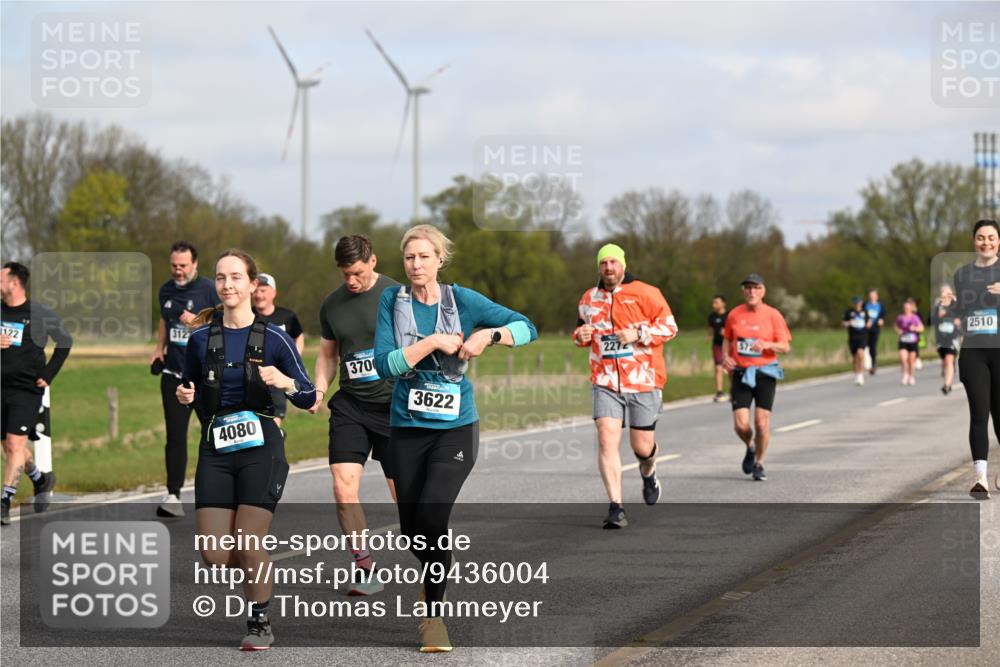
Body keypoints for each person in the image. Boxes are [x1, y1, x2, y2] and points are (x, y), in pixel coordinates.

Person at [373, 225, 537, 652]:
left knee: (431, 518)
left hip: (455, 428)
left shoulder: (462, 299)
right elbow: (384, 365)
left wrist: (488, 335)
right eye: (410, 258)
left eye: (425, 257)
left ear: (439, 260)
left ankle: (433, 617)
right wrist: (431, 341)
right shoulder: (393, 301)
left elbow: (527, 327)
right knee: (412, 532)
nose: (416, 265)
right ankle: (440, 562)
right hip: (407, 428)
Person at [177, 249, 316, 650]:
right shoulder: (201, 338)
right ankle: (260, 573)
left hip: (262, 448)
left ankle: (259, 621)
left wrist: (285, 382)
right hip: (216, 449)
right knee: (215, 555)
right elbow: (189, 387)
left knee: (249, 540)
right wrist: (186, 395)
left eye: (236, 277)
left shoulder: (276, 339)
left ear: (252, 285)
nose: (227, 285)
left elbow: (309, 397)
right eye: (221, 278)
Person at [312, 235, 399, 595]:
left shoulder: (397, 296)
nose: (352, 281)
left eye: (358, 273)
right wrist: (318, 389)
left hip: (395, 406)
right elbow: (329, 354)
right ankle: (365, 568)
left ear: (373, 262)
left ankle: (433, 562)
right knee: (343, 487)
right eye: (346, 273)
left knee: (407, 500)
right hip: (351, 405)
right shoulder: (332, 305)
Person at [573, 243, 678, 529]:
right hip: (605, 380)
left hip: (644, 379)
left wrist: (639, 333)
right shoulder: (588, 297)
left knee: (642, 447)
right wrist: (580, 334)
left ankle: (649, 470)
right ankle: (616, 507)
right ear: (599, 267)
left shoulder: (647, 293)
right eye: (603, 263)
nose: (608, 267)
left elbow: (670, 327)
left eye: (613, 262)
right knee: (607, 437)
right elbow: (581, 332)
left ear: (622, 265)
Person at [151, 241, 219, 517]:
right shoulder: (165, 290)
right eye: (174, 266)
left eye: (183, 266)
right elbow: (165, 321)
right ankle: (173, 495)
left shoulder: (209, 290)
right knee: (175, 436)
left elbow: (224, 326)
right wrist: (159, 349)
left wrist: (198, 323)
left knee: (213, 432)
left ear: (195, 265)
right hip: (175, 376)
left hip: (206, 377)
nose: (178, 271)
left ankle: (217, 490)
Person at [1, 262, 71, 525]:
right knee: (9, 447)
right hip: (1, 388)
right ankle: (42, 480)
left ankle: (4, 501)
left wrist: (49, 374)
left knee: (15, 445)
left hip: (27, 389)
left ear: (14, 283)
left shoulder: (39, 313)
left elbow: (65, 341)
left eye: (0, 280)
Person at [722, 273, 791, 482]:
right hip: (741, 373)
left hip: (765, 373)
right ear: (744, 291)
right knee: (740, 425)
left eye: (756, 288)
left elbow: (785, 346)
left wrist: (767, 344)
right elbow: (727, 339)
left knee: (761, 424)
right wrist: (725, 357)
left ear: (763, 291)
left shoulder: (773, 315)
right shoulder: (734, 314)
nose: (751, 292)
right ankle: (750, 446)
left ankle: (759, 463)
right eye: (748, 288)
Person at [949, 219, 1000, 498]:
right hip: (974, 352)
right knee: (979, 414)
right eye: (981, 238)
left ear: (999, 240)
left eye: (991, 237)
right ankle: (980, 478)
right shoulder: (963, 274)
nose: (986, 242)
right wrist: (950, 303)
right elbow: (963, 309)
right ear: (974, 241)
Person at [252, 272, 304, 427]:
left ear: (273, 293)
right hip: (252, 378)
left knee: (274, 422)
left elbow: (298, 336)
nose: (259, 295)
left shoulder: (287, 316)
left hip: (276, 377)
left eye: (263, 291)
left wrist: (294, 359)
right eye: (256, 291)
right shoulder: (246, 316)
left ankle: (276, 437)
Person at [932, 284, 961, 395]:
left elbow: (963, 315)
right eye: (943, 295)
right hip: (940, 339)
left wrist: (958, 320)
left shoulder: (956, 305)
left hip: (952, 337)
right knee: (946, 361)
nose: (945, 297)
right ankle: (950, 371)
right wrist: (938, 316)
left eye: (948, 294)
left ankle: (947, 385)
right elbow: (931, 320)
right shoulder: (937, 306)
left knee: (949, 360)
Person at [895, 299, 924, 386]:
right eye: (905, 308)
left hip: (913, 341)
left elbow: (921, 328)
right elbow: (896, 326)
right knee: (903, 359)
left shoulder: (915, 317)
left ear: (911, 308)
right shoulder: (900, 317)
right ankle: (905, 374)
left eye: (908, 308)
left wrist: (914, 328)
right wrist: (898, 330)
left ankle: (911, 376)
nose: (906, 309)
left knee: (911, 360)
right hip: (903, 340)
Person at [842, 296, 870, 386]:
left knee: (861, 354)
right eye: (856, 303)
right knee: (855, 358)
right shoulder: (849, 312)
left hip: (863, 336)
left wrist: (869, 324)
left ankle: (861, 375)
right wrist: (848, 323)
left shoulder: (865, 312)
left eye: (859, 302)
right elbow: (843, 323)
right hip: (853, 337)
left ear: (861, 303)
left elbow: (869, 322)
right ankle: (856, 374)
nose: (858, 304)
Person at [708, 295, 729, 401]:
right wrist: (708, 337)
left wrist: (726, 333)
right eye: (713, 303)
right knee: (718, 368)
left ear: (723, 303)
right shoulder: (712, 316)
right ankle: (719, 392)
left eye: (716, 302)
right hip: (717, 345)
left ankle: (734, 390)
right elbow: (711, 328)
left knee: (730, 368)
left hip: (729, 345)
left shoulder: (729, 315)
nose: (714, 305)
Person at [864, 289, 886, 374]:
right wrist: (866, 321)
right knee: (864, 346)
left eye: (874, 296)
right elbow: (862, 314)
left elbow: (882, 316)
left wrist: (881, 320)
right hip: (866, 330)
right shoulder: (866, 305)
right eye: (870, 296)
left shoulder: (881, 306)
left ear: (877, 297)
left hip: (875, 329)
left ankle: (873, 364)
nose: (872, 297)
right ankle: (866, 364)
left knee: (872, 347)